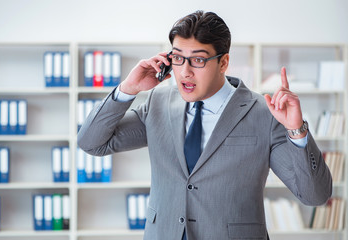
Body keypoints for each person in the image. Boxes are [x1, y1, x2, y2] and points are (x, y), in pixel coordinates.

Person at [78, 10, 332, 240]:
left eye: (197, 60)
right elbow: (92, 143)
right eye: (177, 58)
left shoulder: (263, 113)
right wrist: (127, 89)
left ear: (223, 63)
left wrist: (296, 131)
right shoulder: (158, 102)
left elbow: (314, 195)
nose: (185, 72)